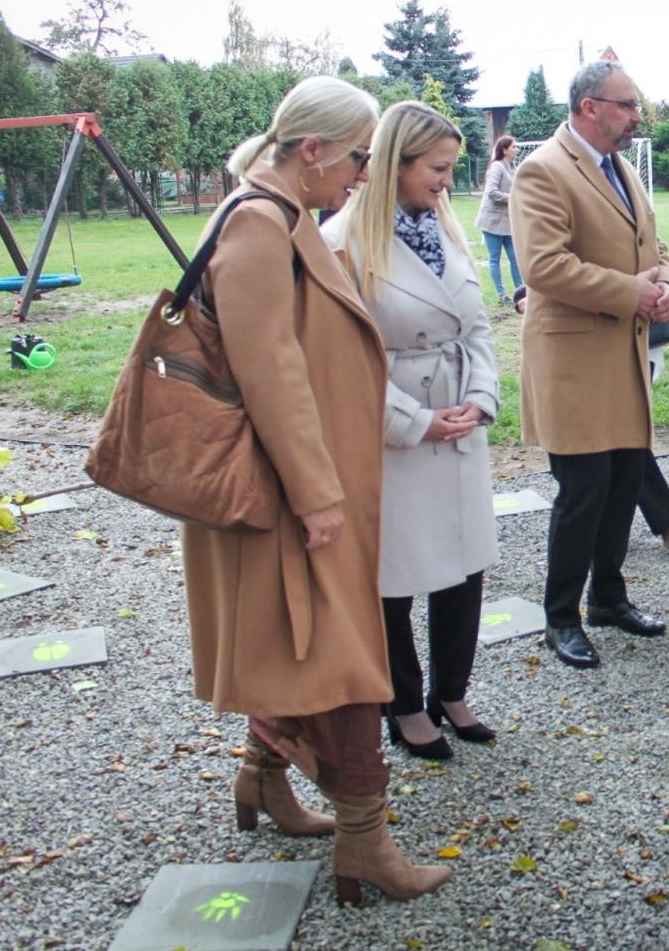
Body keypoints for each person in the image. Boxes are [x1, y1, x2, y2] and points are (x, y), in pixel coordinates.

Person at [183, 76, 451, 905]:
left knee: (308, 652)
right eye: (360, 156)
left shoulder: (281, 215)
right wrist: (317, 496)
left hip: (308, 485)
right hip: (290, 495)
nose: (364, 174)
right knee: (342, 664)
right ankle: (365, 843)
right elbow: (272, 375)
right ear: (311, 153)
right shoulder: (261, 226)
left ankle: (264, 778)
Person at [322, 101, 501, 763]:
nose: (446, 183)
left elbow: (477, 326)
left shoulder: (445, 229)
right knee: (394, 577)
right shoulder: (342, 241)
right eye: (437, 168)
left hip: (459, 423)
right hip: (397, 434)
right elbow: (341, 361)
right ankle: (401, 702)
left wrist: (481, 397)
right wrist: (414, 422)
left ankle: (451, 692)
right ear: (395, 162)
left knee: (464, 565)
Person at [510, 59, 669, 670]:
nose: (638, 116)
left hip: (625, 356)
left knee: (624, 482)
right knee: (582, 491)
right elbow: (544, 268)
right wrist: (632, 292)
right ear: (591, 108)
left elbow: (655, 249)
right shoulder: (543, 171)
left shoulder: (621, 170)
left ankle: (608, 598)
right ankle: (561, 618)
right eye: (628, 104)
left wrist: (668, 290)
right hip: (575, 362)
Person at [515, 282, 669, 553]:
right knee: (589, 448)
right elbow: (555, 258)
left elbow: (639, 252)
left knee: (624, 438)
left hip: (626, 334)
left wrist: (668, 287)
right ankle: (610, 529)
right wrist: (528, 292)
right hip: (571, 337)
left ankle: (643, 522)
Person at [476, 135, 522, 304]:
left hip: (509, 221)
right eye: (513, 147)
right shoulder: (497, 166)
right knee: (494, 258)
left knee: (515, 257)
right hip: (492, 221)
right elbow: (492, 192)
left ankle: (520, 292)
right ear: (504, 150)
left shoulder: (512, 167)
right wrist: (514, 197)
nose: (516, 149)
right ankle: (502, 295)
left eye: (516, 147)